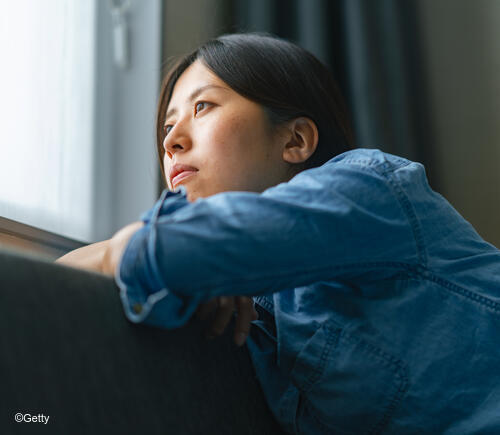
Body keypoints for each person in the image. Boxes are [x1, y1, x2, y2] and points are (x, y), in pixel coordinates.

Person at [57, 33, 500, 434]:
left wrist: (127, 251)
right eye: (167, 127)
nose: (171, 141)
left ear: (295, 141)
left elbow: (153, 253)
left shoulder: (372, 187)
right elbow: (50, 292)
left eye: (202, 107)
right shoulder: (253, 310)